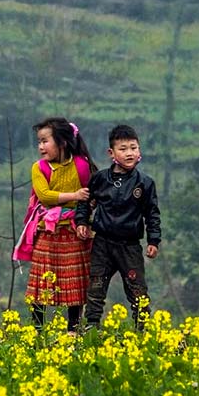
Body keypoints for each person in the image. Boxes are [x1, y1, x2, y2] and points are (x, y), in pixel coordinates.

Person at [75, 124, 161, 329]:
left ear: (139, 150)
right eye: (123, 149)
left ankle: (143, 332)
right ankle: (91, 331)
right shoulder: (100, 179)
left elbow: (152, 214)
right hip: (102, 244)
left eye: (133, 147)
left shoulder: (145, 183)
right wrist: (81, 222)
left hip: (130, 246)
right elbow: (85, 201)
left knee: (137, 291)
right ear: (111, 153)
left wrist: (154, 240)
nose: (129, 153)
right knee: (95, 289)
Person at [16, 117, 96, 332]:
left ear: (62, 142)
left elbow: (91, 195)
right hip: (47, 231)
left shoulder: (81, 165)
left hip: (73, 230)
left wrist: (84, 210)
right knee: (39, 285)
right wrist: (75, 195)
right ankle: (37, 330)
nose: (41, 147)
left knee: (75, 284)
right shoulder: (39, 168)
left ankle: (73, 329)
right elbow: (45, 196)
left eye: (45, 141)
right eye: (39, 142)